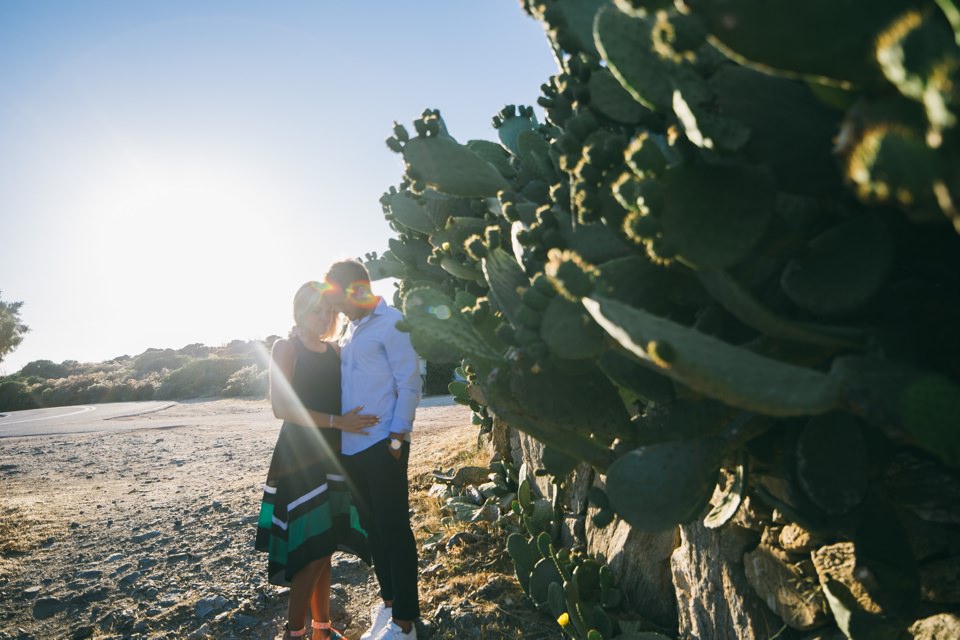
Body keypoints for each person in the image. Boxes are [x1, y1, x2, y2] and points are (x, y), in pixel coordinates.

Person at [255, 281, 378, 640]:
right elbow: (281, 406)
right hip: (301, 455)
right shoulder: (285, 348)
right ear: (299, 311)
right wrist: (337, 422)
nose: (323, 317)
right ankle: (294, 633)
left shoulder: (335, 351)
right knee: (310, 549)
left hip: (335, 455)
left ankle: (322, 629)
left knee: (326, 546)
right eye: (315, 310)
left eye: (328, 311)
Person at [322, 260, 423, 640]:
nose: (338, 307)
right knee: (374, 531)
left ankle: (406, 624)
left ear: (360, 288)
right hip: (353, 450)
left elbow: (410, 383)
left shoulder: (392, 321)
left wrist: (398, 438)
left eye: (340, 297)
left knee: (395, 529)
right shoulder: (352, 328)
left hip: (385, 446)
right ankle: (390, 604)